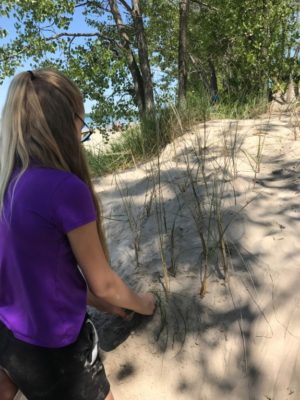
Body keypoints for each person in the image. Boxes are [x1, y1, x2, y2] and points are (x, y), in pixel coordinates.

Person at [0, 69, 156, 400]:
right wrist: (143, 304)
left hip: (7, 336)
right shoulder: (64, 189)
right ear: (67, 122)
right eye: (81, 122)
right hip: (57, 349)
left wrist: (101, 303)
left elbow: (42, 279)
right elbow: (105, 284)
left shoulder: (8, 185)